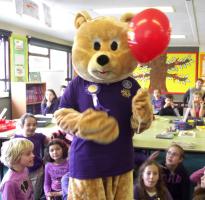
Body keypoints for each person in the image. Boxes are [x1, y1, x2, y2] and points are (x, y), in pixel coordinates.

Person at [14, 113, 49, 200]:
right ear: (22, 126)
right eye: (28, 125)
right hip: (21, 171)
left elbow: (51, 143)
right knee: (24, 192)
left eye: (34, 124)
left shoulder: (39, 136)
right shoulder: (16, 138)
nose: (32, 127)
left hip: (36, 169)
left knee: (35, 192)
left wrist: (46, 159)